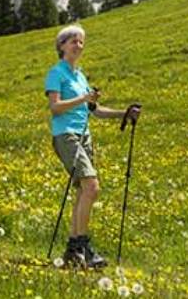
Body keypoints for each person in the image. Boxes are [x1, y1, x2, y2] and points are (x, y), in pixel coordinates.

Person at [44, 24, 140, 268]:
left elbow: (94, 110)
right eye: (74, 41)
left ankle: (74, 251)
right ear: (62, 45)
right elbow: (55, 107)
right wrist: (83, 99)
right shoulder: (56, 73)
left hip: (84, 136)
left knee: (83, 191)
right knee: (92, 187)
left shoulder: (80, 76)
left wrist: (123, 114)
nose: (79, 45)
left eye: (82, 42)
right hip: (66, 135)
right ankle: (81, 246)